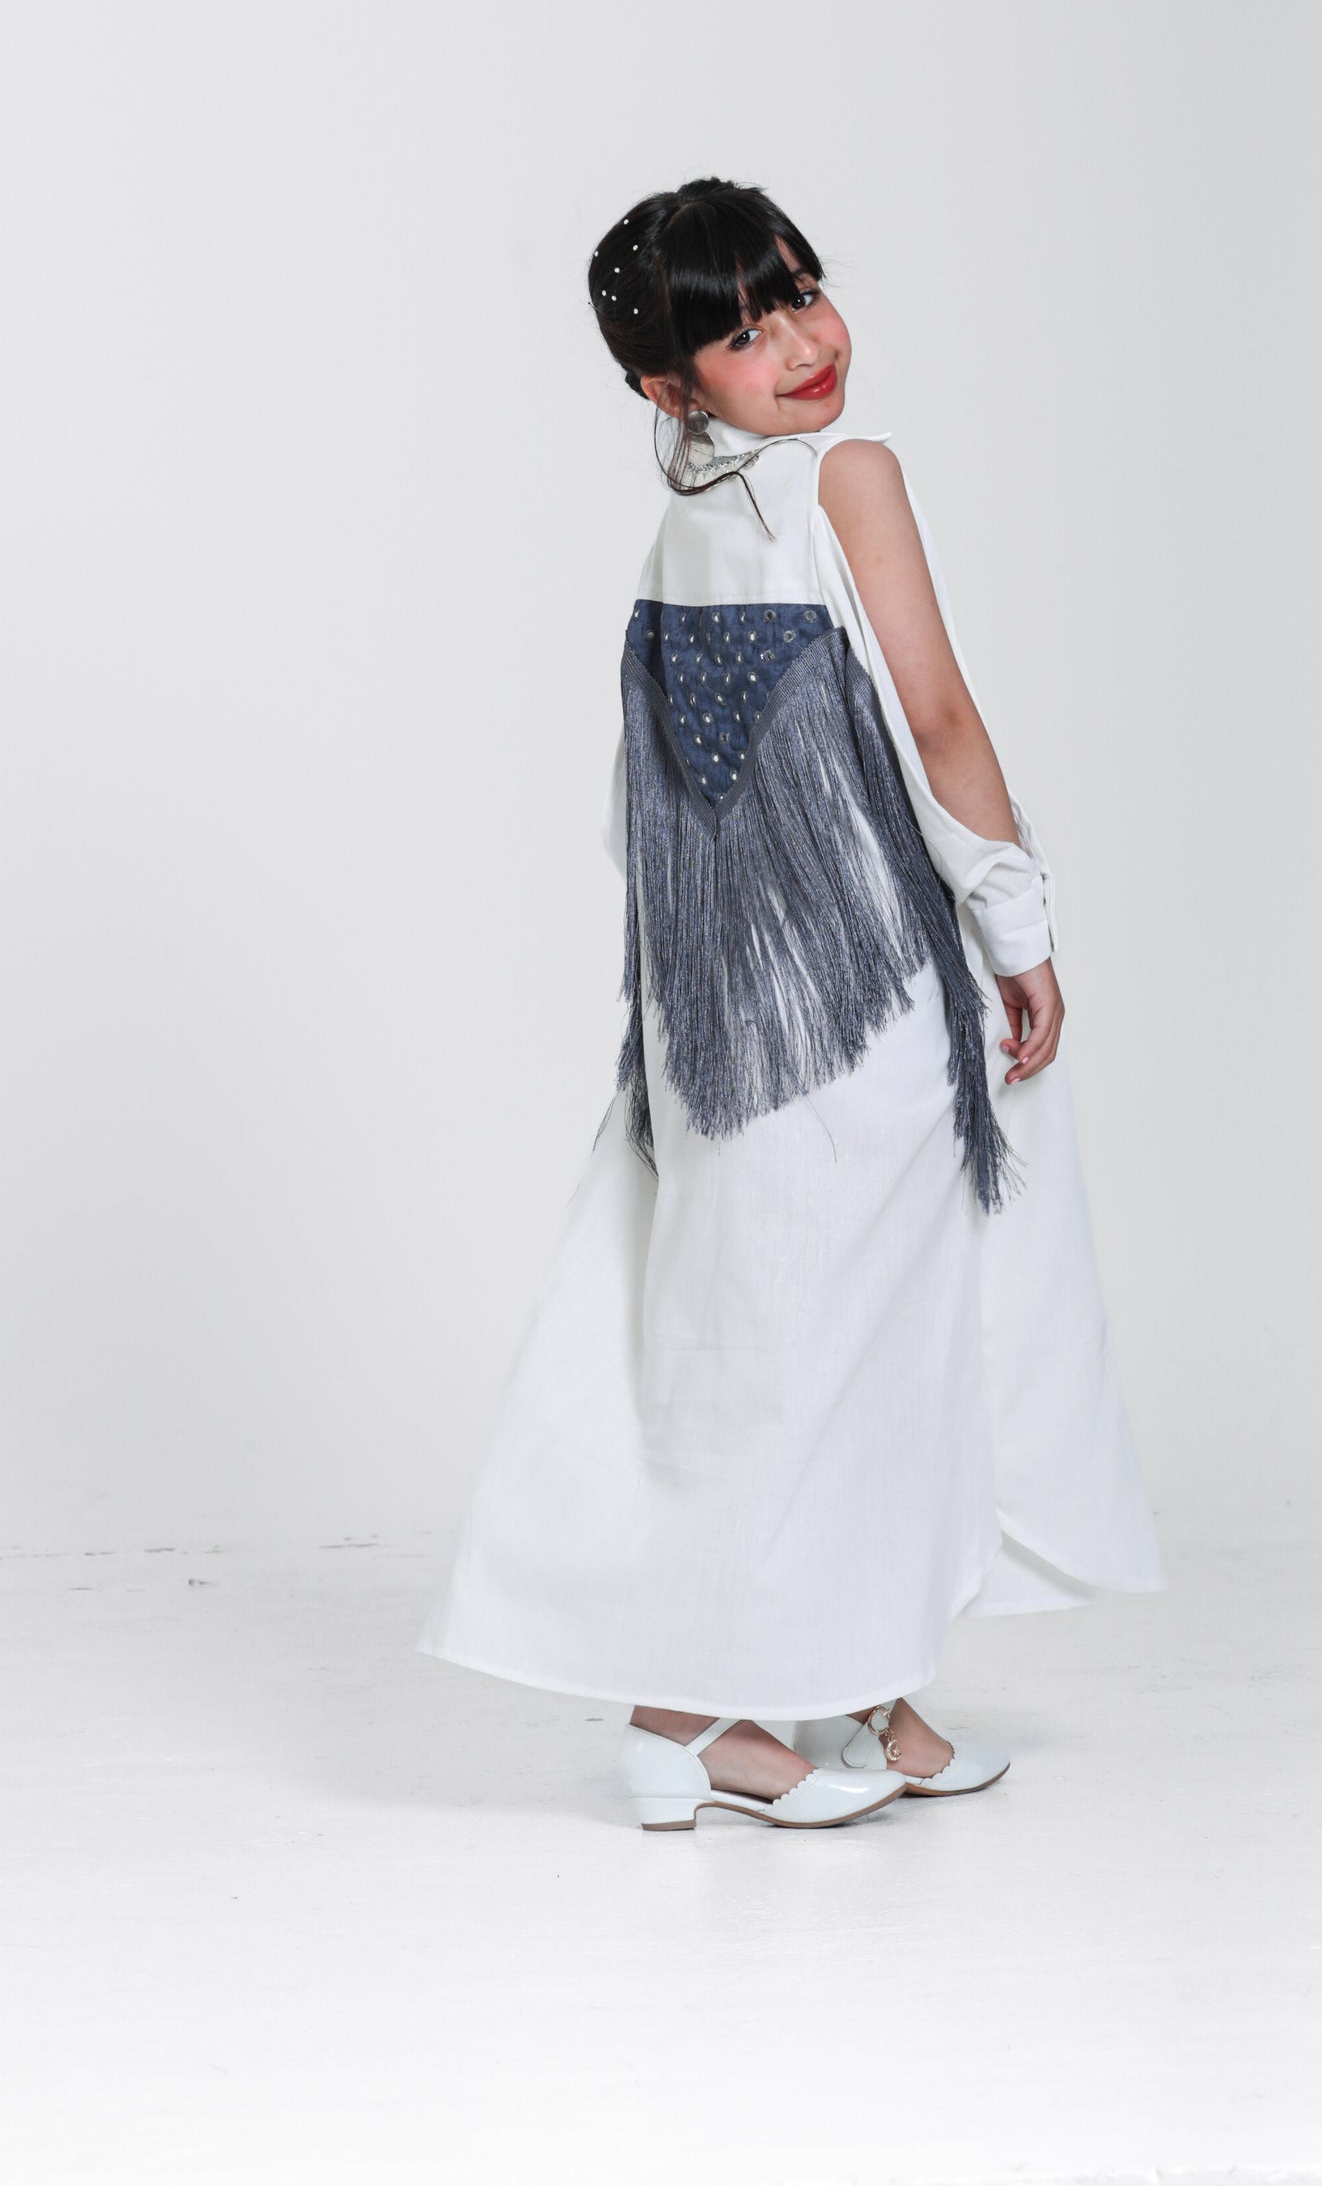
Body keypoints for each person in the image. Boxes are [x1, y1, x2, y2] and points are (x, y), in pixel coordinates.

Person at [419, 177, 1163, 1830]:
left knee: (788, 1334)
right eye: (743, 332)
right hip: (855, 996)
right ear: (665, 381)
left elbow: (660, 793)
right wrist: (1018, 924)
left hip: (718, 1011)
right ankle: (693, 1715)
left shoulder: (687, 514)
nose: (803, 344)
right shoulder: (845, 476)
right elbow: (938, 718)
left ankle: (860, 1695)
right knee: (839, 1351)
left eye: (801, 294)